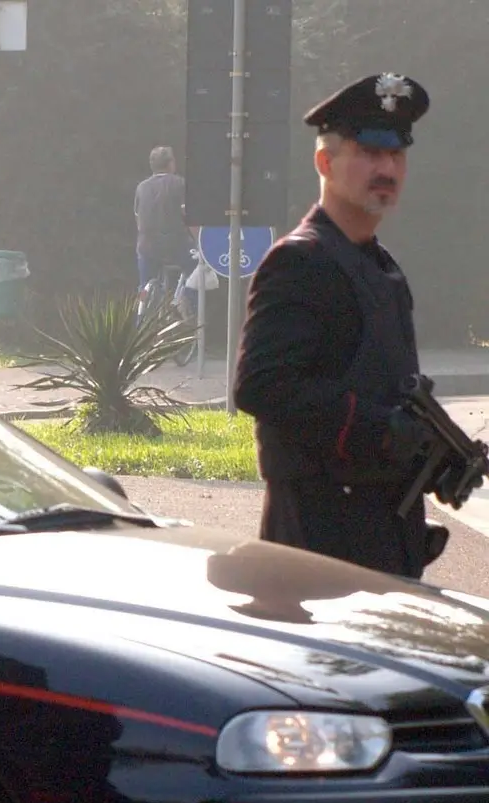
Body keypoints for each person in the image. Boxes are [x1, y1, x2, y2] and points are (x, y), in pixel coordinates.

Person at [233, 74, 441, 578]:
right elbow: (261, 386)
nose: (386, 168)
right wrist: (378, 429)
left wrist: (430, 447)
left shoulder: (383, 268)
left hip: (387, 531)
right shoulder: (299, 263)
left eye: (396, 156)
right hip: (316, 533)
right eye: (369, 152)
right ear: (325, 162)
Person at [133, 145, 195, 301]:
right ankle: (190, 307)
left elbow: (138, 221)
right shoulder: (180, 184)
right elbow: (188, 216)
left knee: (144, 284)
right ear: (171, 163)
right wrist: (198, 244)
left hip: (147, 248)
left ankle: (142, 311)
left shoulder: (141, 188)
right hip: (176, 245)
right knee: (197, 272)